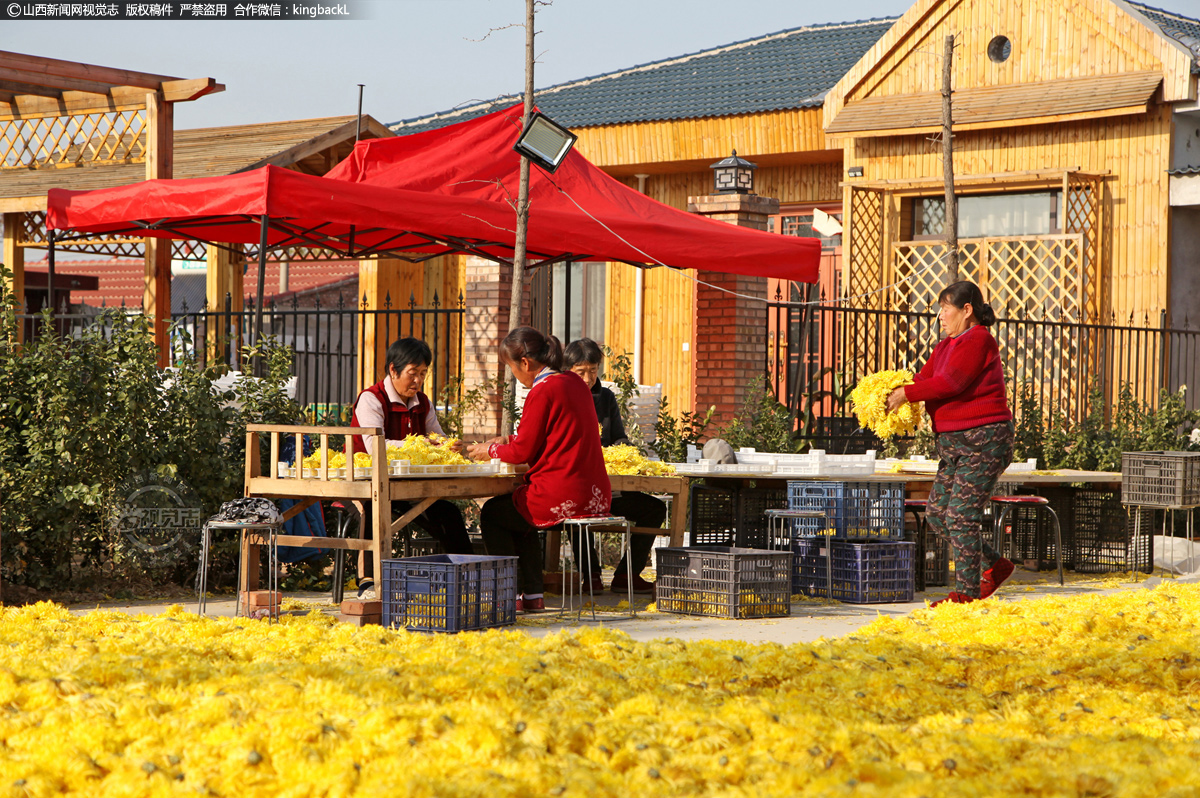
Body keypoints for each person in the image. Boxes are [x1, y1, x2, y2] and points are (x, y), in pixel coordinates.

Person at [885, 280, 1015, 606]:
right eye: (940, 309)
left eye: (946, 308)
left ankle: (965, 597)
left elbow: (951, 382)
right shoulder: (945, 345)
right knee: (937, 514)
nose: (940, 315)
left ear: (967, 310)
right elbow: (924, 379)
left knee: (960, 516)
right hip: (955, 446)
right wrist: (888, 390)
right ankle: (995, 565)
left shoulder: (979, 340)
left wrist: (907, 394)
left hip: (984, 442)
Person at [467, 328, 611, 612]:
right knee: (520, 507)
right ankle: (532, 595)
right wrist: (508, 441)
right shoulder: (574, 382)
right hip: (595, 494)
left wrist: (490, 449)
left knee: (495, 513)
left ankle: (507, 593)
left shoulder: (542, 390)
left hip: (564, 496)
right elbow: (553, 434)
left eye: (511, 368)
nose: (515, 375)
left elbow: (523, 452)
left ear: (524, 363)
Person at [351, 337, 473, 600]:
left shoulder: (422, 402)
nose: (417, 380)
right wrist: (424, 444)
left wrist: (448, 446)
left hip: (407, 485)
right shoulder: (371, 399)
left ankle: (468, 576)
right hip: (363, 483)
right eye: (412, 373)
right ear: (393, 370)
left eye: (423, 374)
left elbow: (437, 436)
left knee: (448, 513)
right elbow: (374, 446)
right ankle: (367, 581)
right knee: (374, 507)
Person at [563, 338, 665, 595]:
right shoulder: (561, 396)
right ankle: (592, 575)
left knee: (654, 509)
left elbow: (619, 437)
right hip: (578, 486)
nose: (588, 378)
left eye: (593, 371)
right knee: (578, 508)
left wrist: (624, 453)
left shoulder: (605, 397)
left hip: (611, 487)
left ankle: (626, 575)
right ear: (568, 371)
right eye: (581, 372)